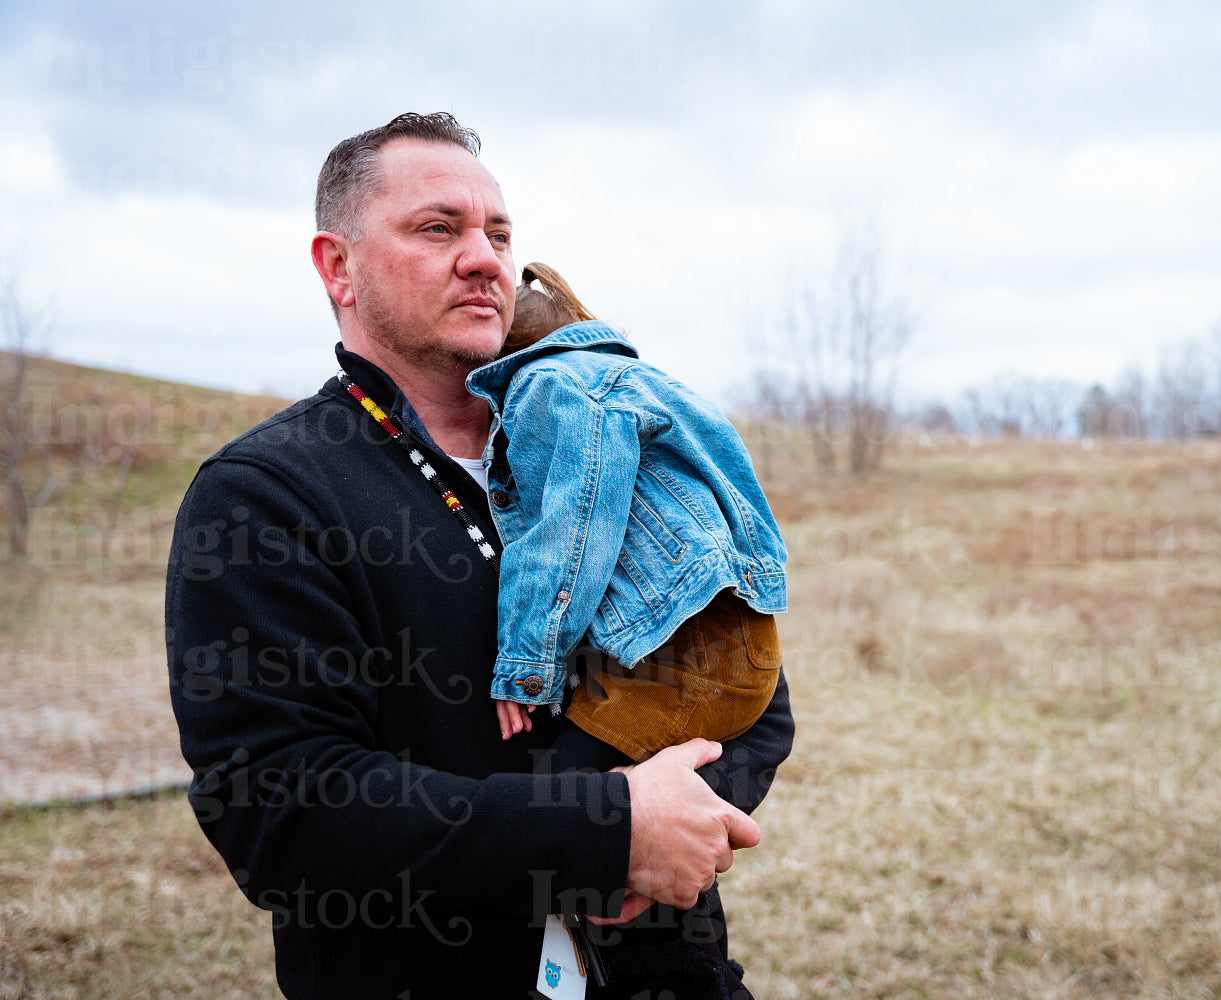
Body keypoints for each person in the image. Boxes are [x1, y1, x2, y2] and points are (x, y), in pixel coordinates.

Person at [165, 112, 793, 999]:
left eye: (499, 234)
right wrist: (609, 832)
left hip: (669, 972)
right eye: (438, 228)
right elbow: (280, 810)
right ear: (336, 266)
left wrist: (687, 815)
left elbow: (749, 677)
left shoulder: (597, 444)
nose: (484, 257)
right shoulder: (267, 494)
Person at [473, 263, 786, 779]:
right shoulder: (651, 381)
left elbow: (572, 527)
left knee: (558, 796)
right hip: (743, 645)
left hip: (688, 661)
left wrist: (527, 668)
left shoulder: (543, 383)